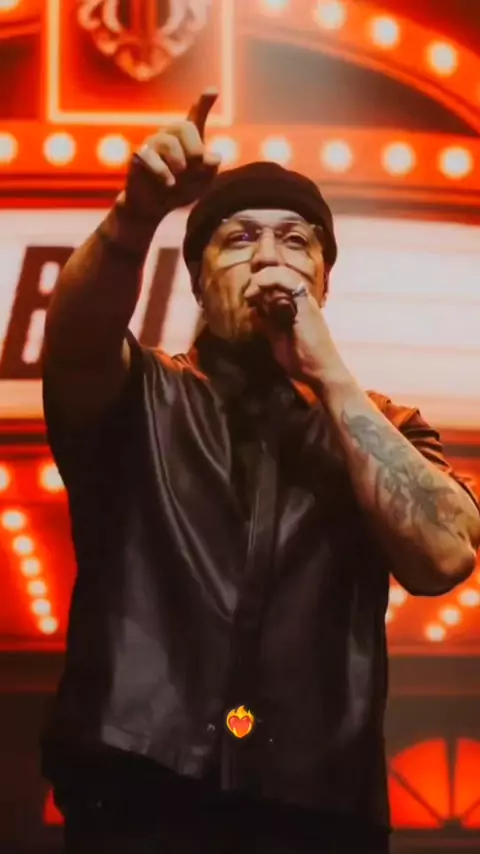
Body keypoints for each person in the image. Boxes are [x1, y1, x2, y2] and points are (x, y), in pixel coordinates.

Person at [41, 89, 480, 854]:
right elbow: (76, 339)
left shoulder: (386, 424)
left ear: (324, 281)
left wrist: (328, 376)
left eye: (295, 241)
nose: (270, 258)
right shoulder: (142, 394)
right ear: (199, 280)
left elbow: (444, 558)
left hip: (316, 809)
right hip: (140, 797)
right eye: (239, 239)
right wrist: (136, 215)